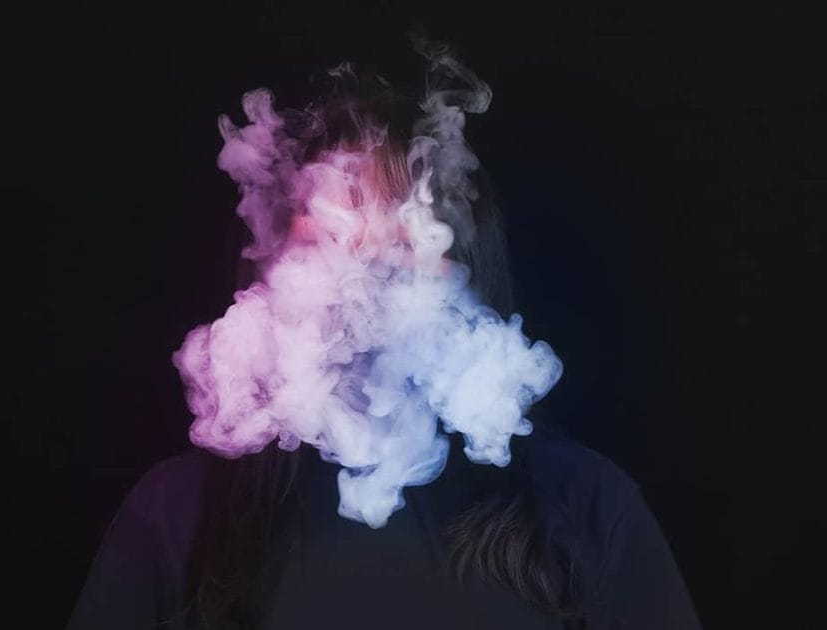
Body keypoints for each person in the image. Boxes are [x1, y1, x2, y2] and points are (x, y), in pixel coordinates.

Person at [66, 76, 703, 630]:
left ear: (465, 262)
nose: (365, 263)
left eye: (404, 227)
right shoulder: (176, 513)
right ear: (271, 259)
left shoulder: (584, 505)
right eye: (331, 225)